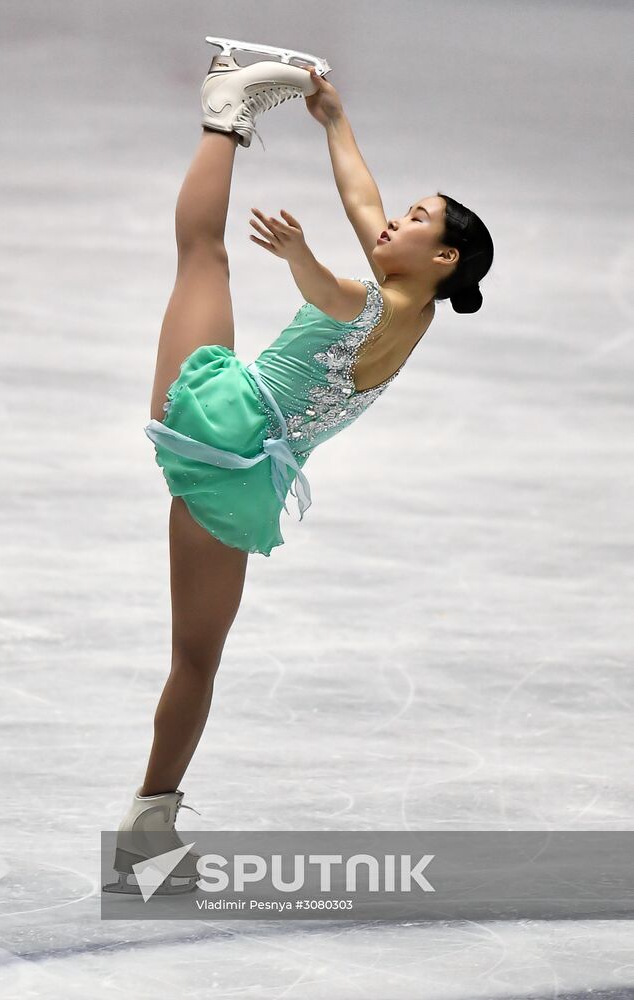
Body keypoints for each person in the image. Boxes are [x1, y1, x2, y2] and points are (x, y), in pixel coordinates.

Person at [105, 39, 494, 894]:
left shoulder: (368, 295)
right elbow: (363, 199)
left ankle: (224, 114)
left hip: (223, 420)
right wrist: (334, 120)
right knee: (196, 659)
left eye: (416, 221)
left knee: (204, 252)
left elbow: (329, 291)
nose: (394, 222)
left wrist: (296, 258)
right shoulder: (417, 310)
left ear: (444, 260)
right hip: (247, 481)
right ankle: (147, 831)